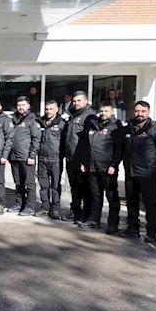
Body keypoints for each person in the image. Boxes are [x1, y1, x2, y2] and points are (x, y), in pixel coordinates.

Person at [120, 101, 156, 243]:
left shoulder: (155, 129)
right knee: (131, 202)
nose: (139, 114)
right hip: (131, 172)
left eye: (143, 111)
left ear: (148, 112)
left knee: (150, 204)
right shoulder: (129, 127)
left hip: (147, 174)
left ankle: (151, 232)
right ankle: (132, 228)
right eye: (137, 111)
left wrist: (153, 163)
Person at [83, 101, 124, 233]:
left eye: (106, 111)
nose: (103, 113)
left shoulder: (116, 127)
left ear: (112, 112)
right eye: (101, 111)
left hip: (108, 168)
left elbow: (119, 148)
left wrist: (114, 165)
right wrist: (85, 163)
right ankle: (94, 220)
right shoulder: (93, 125)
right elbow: (87, 146)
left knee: (111, 197)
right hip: (93, 167)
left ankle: (113, 224)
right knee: (96, 195)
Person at [64, 90, 98, 225]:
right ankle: (75, 211)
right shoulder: (72, 114)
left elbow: (90, 140)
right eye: (74, 101)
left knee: (84, 188)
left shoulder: (89, 116)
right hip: (71, 157)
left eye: (79, 100)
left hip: (81, 159)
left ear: (86, 101)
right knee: (75, 188)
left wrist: (85, 160)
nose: (76, 103)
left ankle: (85, 215)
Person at [8, 96, 42, 216]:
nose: (21, 107)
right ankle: (19, 204)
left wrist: (32, 156)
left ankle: (30, 207)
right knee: (18, 182)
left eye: (23, 105)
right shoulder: (13, 119)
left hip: (26, 157)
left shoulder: (32, 120)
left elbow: (36, 139)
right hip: (14, 156)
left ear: (28, 106)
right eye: (19, 105)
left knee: (29, 183)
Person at [37, 100, 66, 220]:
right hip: (42, 158)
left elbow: (65, 142)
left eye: (51, 109)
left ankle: (55, 208)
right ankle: (45, 207)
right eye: (46, 109)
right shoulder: (40, 122)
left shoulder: (62, 123)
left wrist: (61, 155)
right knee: (43, 185)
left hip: (55, 159)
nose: (48, 111)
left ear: (57, 109)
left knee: (55, 185)